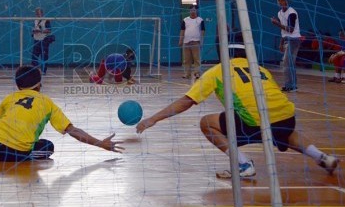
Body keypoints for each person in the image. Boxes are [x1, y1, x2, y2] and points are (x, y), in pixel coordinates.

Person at [136, 41, 339, 179]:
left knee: (206, 122)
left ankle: (244, 165)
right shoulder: (260, 68)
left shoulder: (218, 71)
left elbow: (187, 101)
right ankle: (322, 157)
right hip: (287, 116)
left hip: (254, 122)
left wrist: (153, 119)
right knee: (285, 131)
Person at [270, 0, 302, 92]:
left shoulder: (291, 13)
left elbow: (291, 29)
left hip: (294, 39)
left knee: (288, 63)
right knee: (287, 63)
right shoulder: (280, 13)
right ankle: (289, 85)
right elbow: (283, 31)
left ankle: (292, 85)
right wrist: (281, 43)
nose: (280, 2)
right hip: (286, 39)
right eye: (279, 0)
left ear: (287, 1)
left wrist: (277, 24)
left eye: (282, 0)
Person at [179, 4, 205, 80]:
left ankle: (197, 73)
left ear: (196, 10)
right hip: (186, 42)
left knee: (196, 59)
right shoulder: (185, 20)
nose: (193, 11)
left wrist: (201, 40)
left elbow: (203, 31)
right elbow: (182, 31)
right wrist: (180, 40)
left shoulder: (200, 20)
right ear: (189, 11)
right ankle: (187, 74)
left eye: (194, 10)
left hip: (196, 42)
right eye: (191, 10)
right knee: (186, 60)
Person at [32, 7, 53, 75]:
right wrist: (33, 32)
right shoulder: (35, 20)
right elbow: (34, 29)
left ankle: (43, 71)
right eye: (36, 14)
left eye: (39, 13)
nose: (37, 15)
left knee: (44, 56)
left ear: (42, 13)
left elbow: (49, 30)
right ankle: (35, 70)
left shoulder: (46, 20)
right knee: (34, 56)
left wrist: (40, 31)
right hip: (36, 40)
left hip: (43, 40)